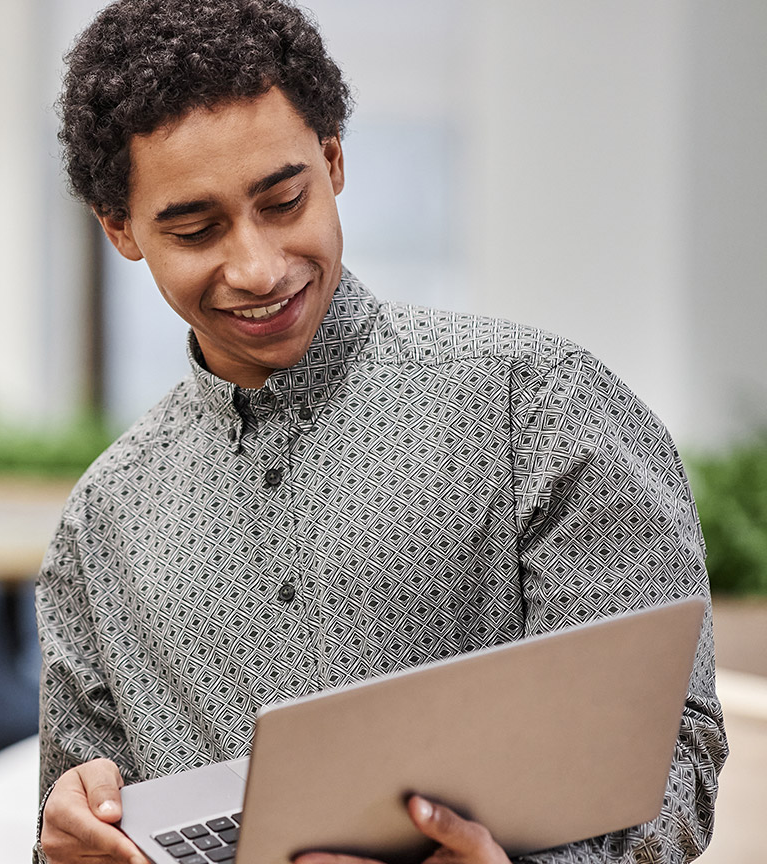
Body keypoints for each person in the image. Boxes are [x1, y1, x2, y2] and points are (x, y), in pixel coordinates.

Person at [35, 2, 726, 863]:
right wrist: (69, 839)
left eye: (283, 201)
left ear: (332, 161)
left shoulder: (538, 407)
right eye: (195, 228)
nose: (257, 266)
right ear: (121, 228)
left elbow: (671, 751)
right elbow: (79, 821)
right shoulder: (102, 522)